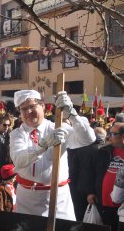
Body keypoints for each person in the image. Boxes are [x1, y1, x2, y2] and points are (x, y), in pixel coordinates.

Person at [9, 90, 95, 221]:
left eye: (32, 106)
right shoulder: (17, 134)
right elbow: (19, 161)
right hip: (26, 201)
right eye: (23, 109)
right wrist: (42, 146)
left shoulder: (59, 127)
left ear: (42, 106)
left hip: (57, 200)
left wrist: (72, 115)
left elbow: (88, 139)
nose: (28, 112)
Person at [87, 122, 124, 231]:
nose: (109, 137)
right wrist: (91, 192)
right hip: (105, 203)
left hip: (122, 207)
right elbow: (93, 173)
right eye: (109, 133)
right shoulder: (104, 151)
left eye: (113, 134)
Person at [67, 127, 106, 220]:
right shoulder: (105, 151)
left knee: (80, 215)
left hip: (79, 187)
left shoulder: (81, 149)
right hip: (97, 190)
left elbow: (73, 169)